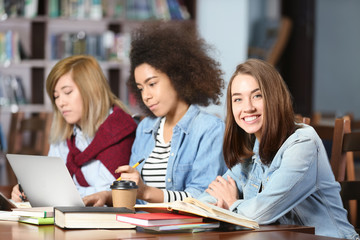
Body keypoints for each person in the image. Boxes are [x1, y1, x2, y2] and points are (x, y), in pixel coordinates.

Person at [197, 58, 359, 239]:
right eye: (238, 99)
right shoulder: (250, 152)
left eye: (257, 96)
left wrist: (232, 204)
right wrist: (220, 205)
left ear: (274, 98)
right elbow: (207, 199)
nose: (247, 107)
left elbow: (261, 213)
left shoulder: (303, 143)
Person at [83, 21, 228, 206]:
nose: (146, 96)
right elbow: (137, 195)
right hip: (142, 227)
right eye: (140, 88)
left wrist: (146, 192)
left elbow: (202, 197)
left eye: (152, 84)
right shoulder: (145, 128)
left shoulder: (209, 129)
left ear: (178, 77)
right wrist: (107, 196)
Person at [11, 55, 137, 202]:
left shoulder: (122, 131)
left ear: (91, 89)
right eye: (56, 96)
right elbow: (51, 183)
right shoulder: (64, 134)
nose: (60, 103)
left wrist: (64, 192)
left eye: (68, 92)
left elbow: (116, 193)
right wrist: (28, 191)